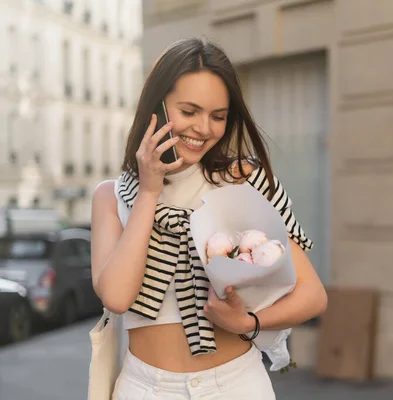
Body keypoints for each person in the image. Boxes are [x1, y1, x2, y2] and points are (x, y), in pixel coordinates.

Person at [90, 37, 328, 399]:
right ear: (159, 105)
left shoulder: (244, 179)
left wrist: (248, 322)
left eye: (218, 116)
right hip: (145, 388)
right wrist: (150, 192)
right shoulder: (112, 196)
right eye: (189, 111)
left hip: (235, 384)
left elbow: (312, 295)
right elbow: (117, 298)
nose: (204, 129)